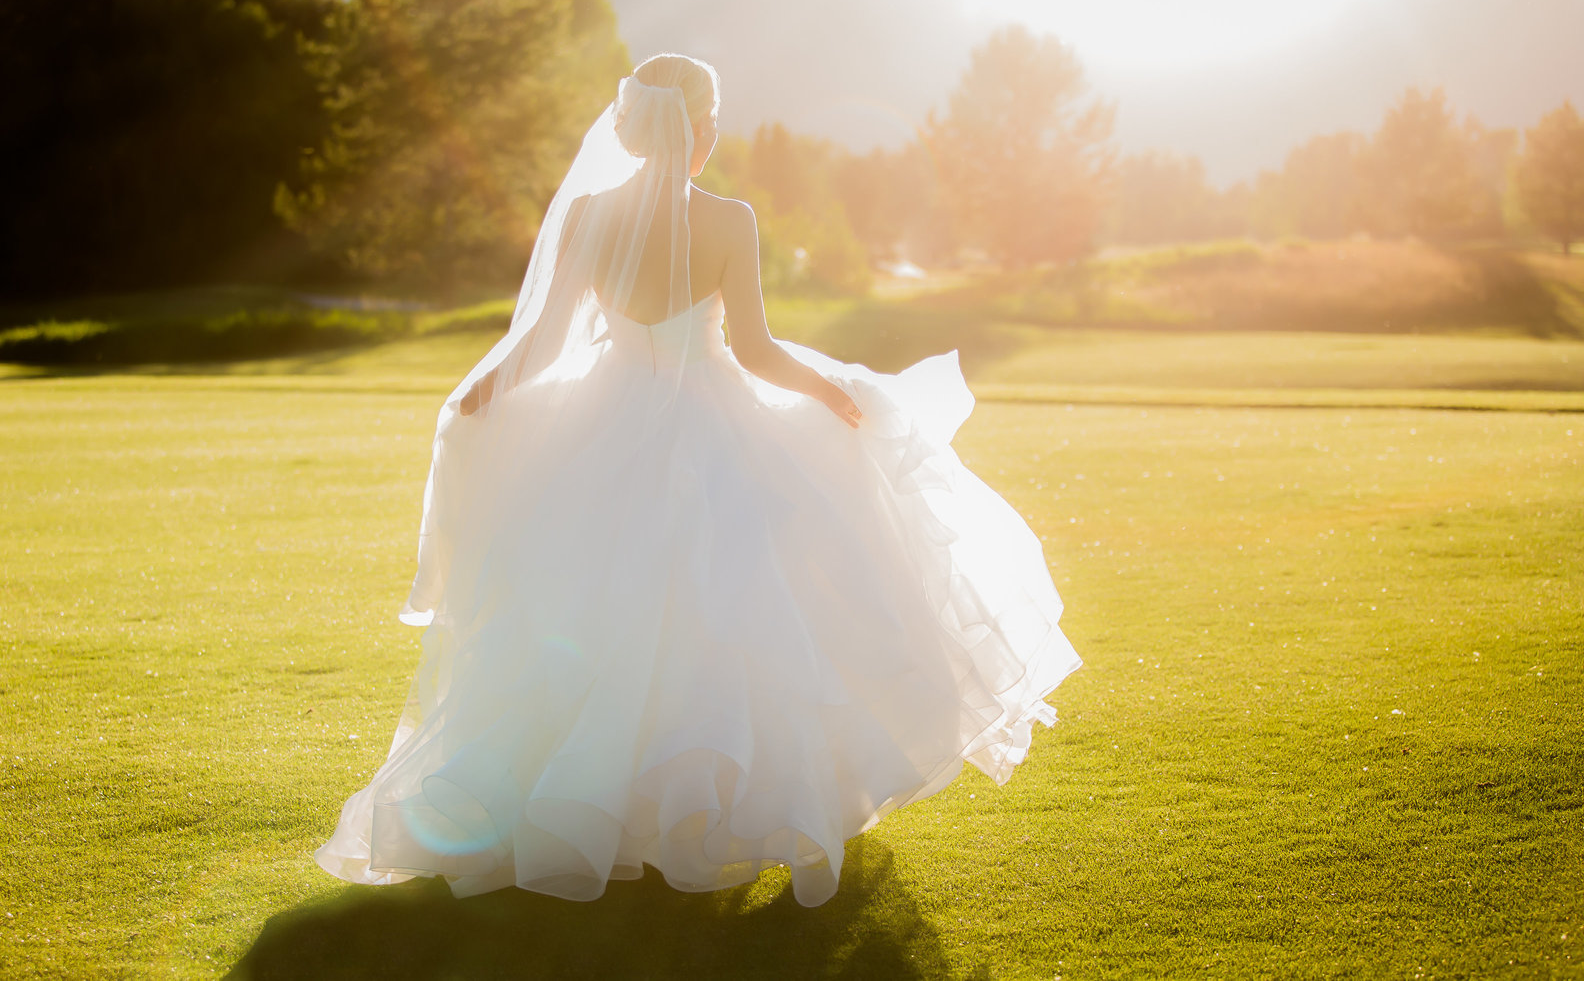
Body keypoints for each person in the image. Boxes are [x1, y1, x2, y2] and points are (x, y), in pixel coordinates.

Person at [313, 53, 1082, 908]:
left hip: (598, 430)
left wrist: (483, 392)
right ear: (701, 128)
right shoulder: (728, 221)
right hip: (710, 424)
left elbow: (543, 340)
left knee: (595, 617)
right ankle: (694, 810)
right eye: (713, 120)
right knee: (730, 617)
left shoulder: (590, 218)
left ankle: (589, 806)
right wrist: (834, 391)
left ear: (637, 128)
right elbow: (753, 351)